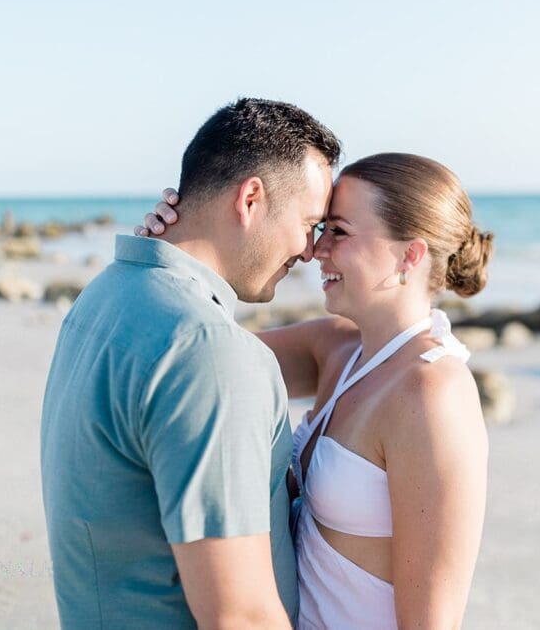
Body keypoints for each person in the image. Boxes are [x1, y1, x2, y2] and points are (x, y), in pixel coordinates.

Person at [139, 152, 492, 629]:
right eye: (321, 228)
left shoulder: (433, 393)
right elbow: (197, 357)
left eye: (339, 232)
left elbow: (432, 622)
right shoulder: (336, 349)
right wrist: (176, 254)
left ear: (410, 255)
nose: (314, 250)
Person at [40, 97, 340, 629]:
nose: (310, 251)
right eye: (310, 224)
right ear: (250, 199)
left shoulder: (105, 295)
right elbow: (239, 615)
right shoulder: (208, 349)